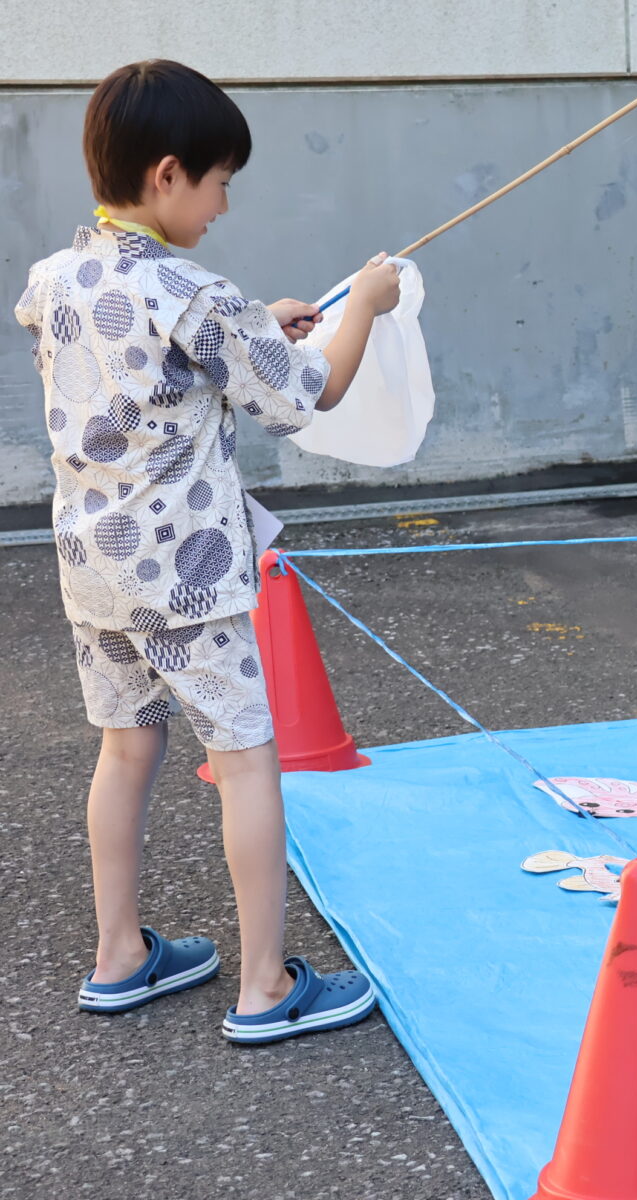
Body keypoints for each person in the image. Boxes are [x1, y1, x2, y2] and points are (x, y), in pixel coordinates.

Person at [12, 60, 402, 1043]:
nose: (226, 205)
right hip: (188, 577)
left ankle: (118, 958)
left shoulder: (56, 279)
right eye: (222, 181)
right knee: (246, 759)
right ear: (169, 174)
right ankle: (266, 986)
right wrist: (367, 304)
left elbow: (137, 367)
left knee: (125, 749)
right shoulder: (194, 292)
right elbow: (312, 396)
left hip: (93, 569)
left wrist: (255, 327)